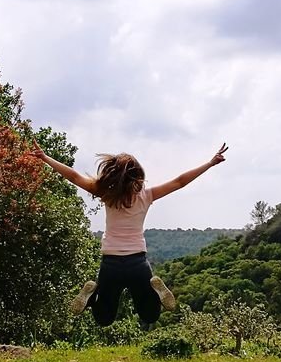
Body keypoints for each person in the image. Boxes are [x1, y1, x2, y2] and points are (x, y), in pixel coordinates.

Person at [29, 141, 228, 328]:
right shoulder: (147, 195)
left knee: (104, 319)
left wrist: (45, 157)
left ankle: (91, 296)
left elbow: (73, 176)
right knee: (150, 315)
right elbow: (179, 182)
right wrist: (210, 163)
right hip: (138, 264)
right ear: (138, 177)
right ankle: (155, 293)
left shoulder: (107, 194)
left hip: (111, 265)